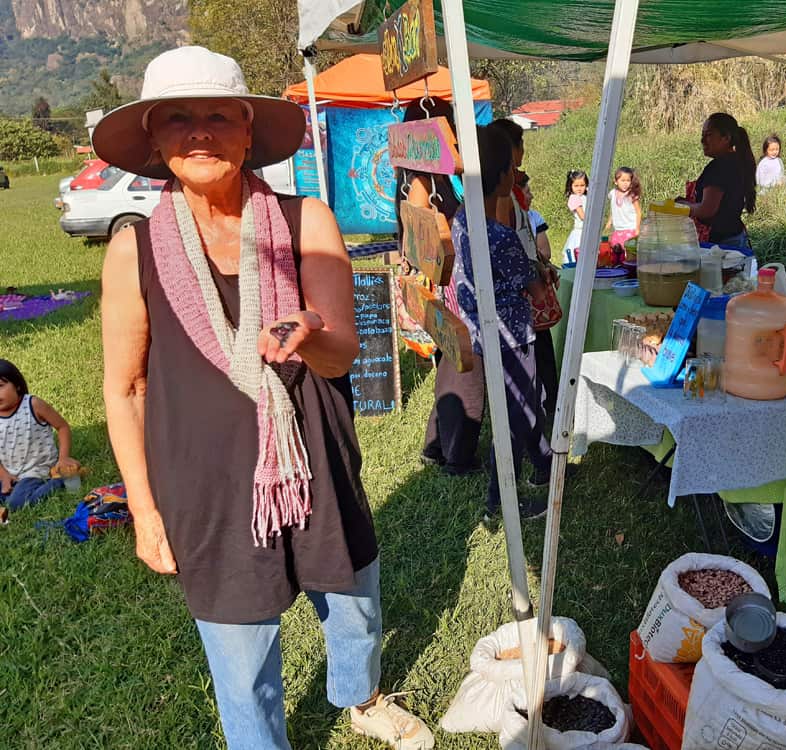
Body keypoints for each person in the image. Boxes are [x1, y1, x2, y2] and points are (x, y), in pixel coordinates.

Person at [97, 46, 434, 750]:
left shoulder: (305, 220)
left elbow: (342, 352)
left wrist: (310, 330)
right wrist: (143, 507)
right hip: (207, 489)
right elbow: (127, 387)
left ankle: (360, 697)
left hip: (312, 462)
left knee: (352, 608)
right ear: (155, 141)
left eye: (218, 115)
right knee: (239, 653)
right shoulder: (135, 251)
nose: (199, 132)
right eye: (178, 119)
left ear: (248, 130)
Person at [451, 126, 551, 520]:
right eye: (511, 167)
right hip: (511, 335)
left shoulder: (463, 220)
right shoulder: (499, 236)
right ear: (502, 176)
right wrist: (540, 274)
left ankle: (542, 465)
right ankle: (500, 500)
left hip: (483, 331)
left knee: (513, 409)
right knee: (516, 416)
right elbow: (537, 292)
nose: (516, 174)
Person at [394, 100, 485, 475]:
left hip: (445, 282)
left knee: (452, 362)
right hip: (447, 284)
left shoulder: (428, 175)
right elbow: (425, 241)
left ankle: (437, 444)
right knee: (467, 360)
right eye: (449, 127)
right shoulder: (420, 181)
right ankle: (458, 455)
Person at [0, 359, 80, 522]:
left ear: (17, 385)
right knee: (11, 497)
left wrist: (63, 458)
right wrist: (4, 475)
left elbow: (62, 427)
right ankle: (10, 494)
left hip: (35, 471)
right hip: (9, 472)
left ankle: (59, 480)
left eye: (0, 387)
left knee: (17, 503)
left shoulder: (33, 404)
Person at [514, 170, 560, 421]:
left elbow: (539, 252)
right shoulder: (512, 218)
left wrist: (545, 265)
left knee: (542, 351)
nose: (531, 195)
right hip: (527, 302)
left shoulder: (524, 217)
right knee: (535, 354)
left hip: (533, 304)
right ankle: (542, 405)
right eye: (527, 190)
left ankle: (549, 401)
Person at [681, 113, 756, 249]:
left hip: (722, 245)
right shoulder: (736, 161)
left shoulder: (719, 167)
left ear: (726, 138)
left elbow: (707, 209)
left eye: (708, 135)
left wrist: (683, 206)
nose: (702, 140)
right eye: (703, 135)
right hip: (735, 236)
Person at [605, 167, 642, 250]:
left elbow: (638, 212)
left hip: (630, 228)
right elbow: (613, 209)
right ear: (616, 181)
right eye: (622, 180)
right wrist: (609, 221)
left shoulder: (631, 195)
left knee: (628, 252)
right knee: (616, 250)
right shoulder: (612, 193)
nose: (625, 183)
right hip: (617, 229)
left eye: (628, 181)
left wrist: (637, 228)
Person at [563, 170, 589, 263]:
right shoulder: (574, 198)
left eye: (582, 185)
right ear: (571, 186)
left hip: (587, 229)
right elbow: (582, 216)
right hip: (580, 232)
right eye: (576, 186)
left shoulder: (585, 197)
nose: (579, 188)